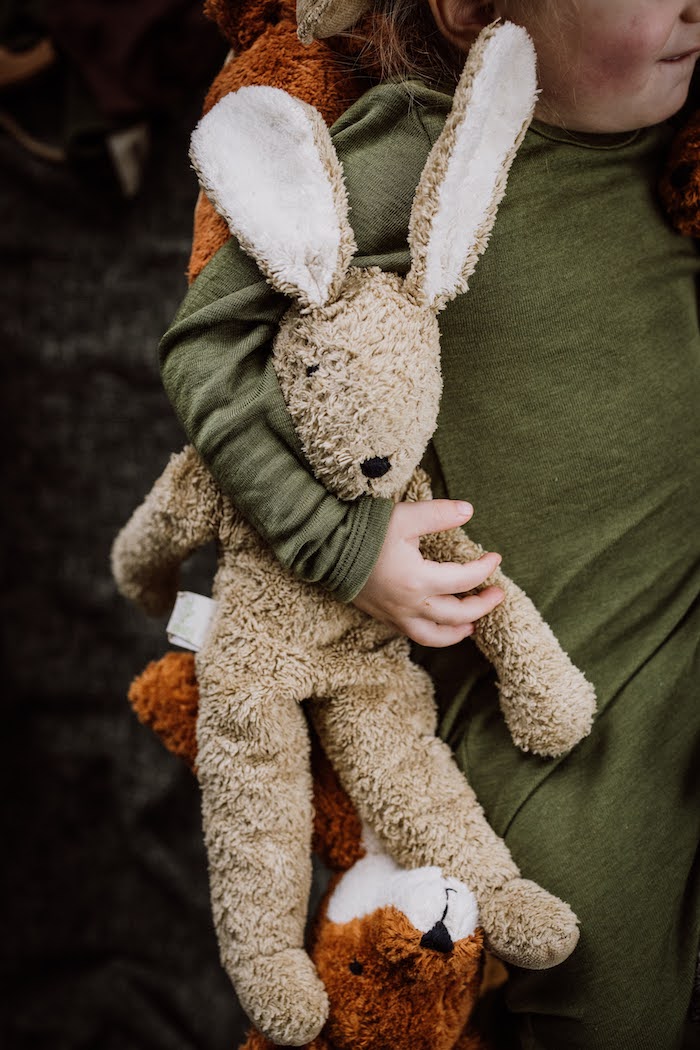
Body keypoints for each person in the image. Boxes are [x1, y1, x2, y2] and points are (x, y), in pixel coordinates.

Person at [158, 1, 700, 1046]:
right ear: (472, 12)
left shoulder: (673, 152)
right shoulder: (416, 150)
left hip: (683, 629)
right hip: (558, 703)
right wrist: (342, 546)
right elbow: (205, 346)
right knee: (595, 961)